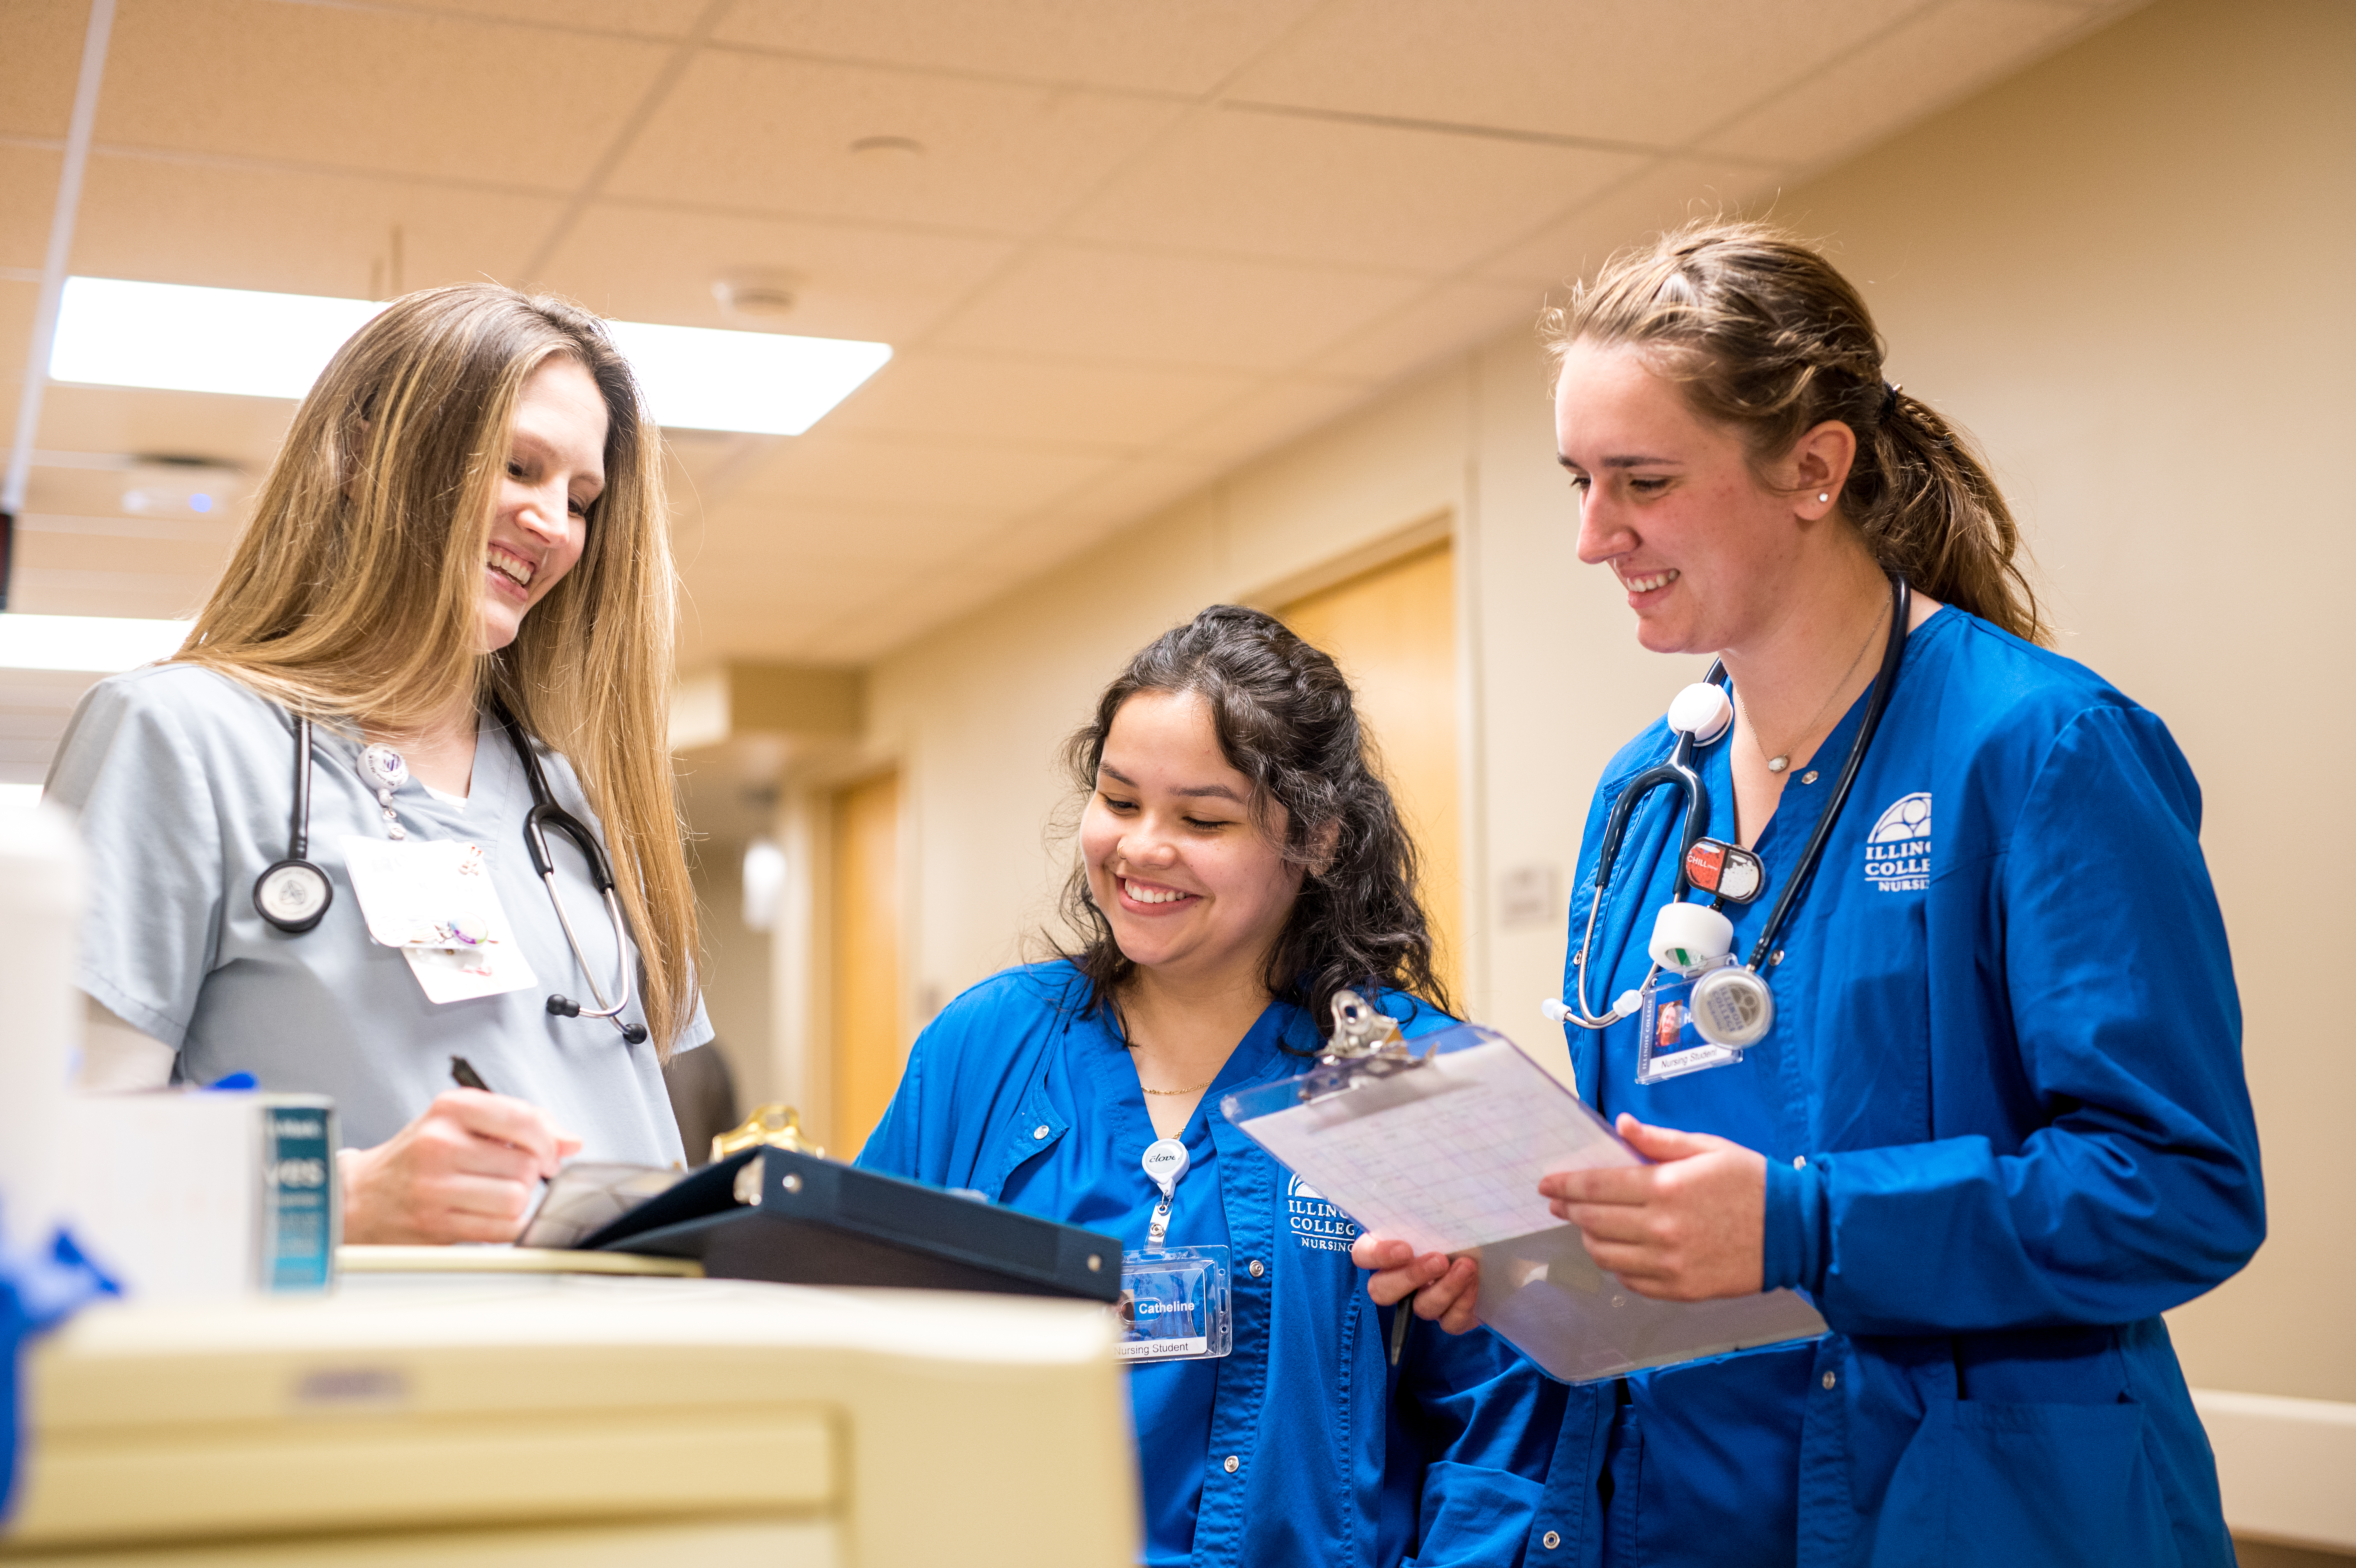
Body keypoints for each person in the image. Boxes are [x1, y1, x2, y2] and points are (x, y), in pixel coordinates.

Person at [1355, 221, 2264, 1565]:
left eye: (1643, 482)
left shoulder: (2038, 750)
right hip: (1670, 1502)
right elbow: (1668, 1194)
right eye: (1578, 484)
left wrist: (1804, 1224)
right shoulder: (1650, 791)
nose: (1597, 536)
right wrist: (1524, 1260)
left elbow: (2177, 1188)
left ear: (1814, 469)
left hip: (1959, 1512)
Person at [858, 605, 1558, 1568]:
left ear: (1312, 841)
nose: (1142, 848)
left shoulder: (1413, 1079)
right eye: (1116, 801)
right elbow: (852, 1326)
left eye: (1202, 819)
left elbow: (1506, 1425)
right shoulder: (987, 1046)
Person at [45, 284, 708, 1244]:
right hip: (370, 1375)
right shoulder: (179, 738)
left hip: (634, 1368)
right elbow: (52, 1161)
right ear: (362, 456)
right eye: (518, 467)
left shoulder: (563, 798)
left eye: (580, 499)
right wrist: (343, 1199)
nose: (553, 526)